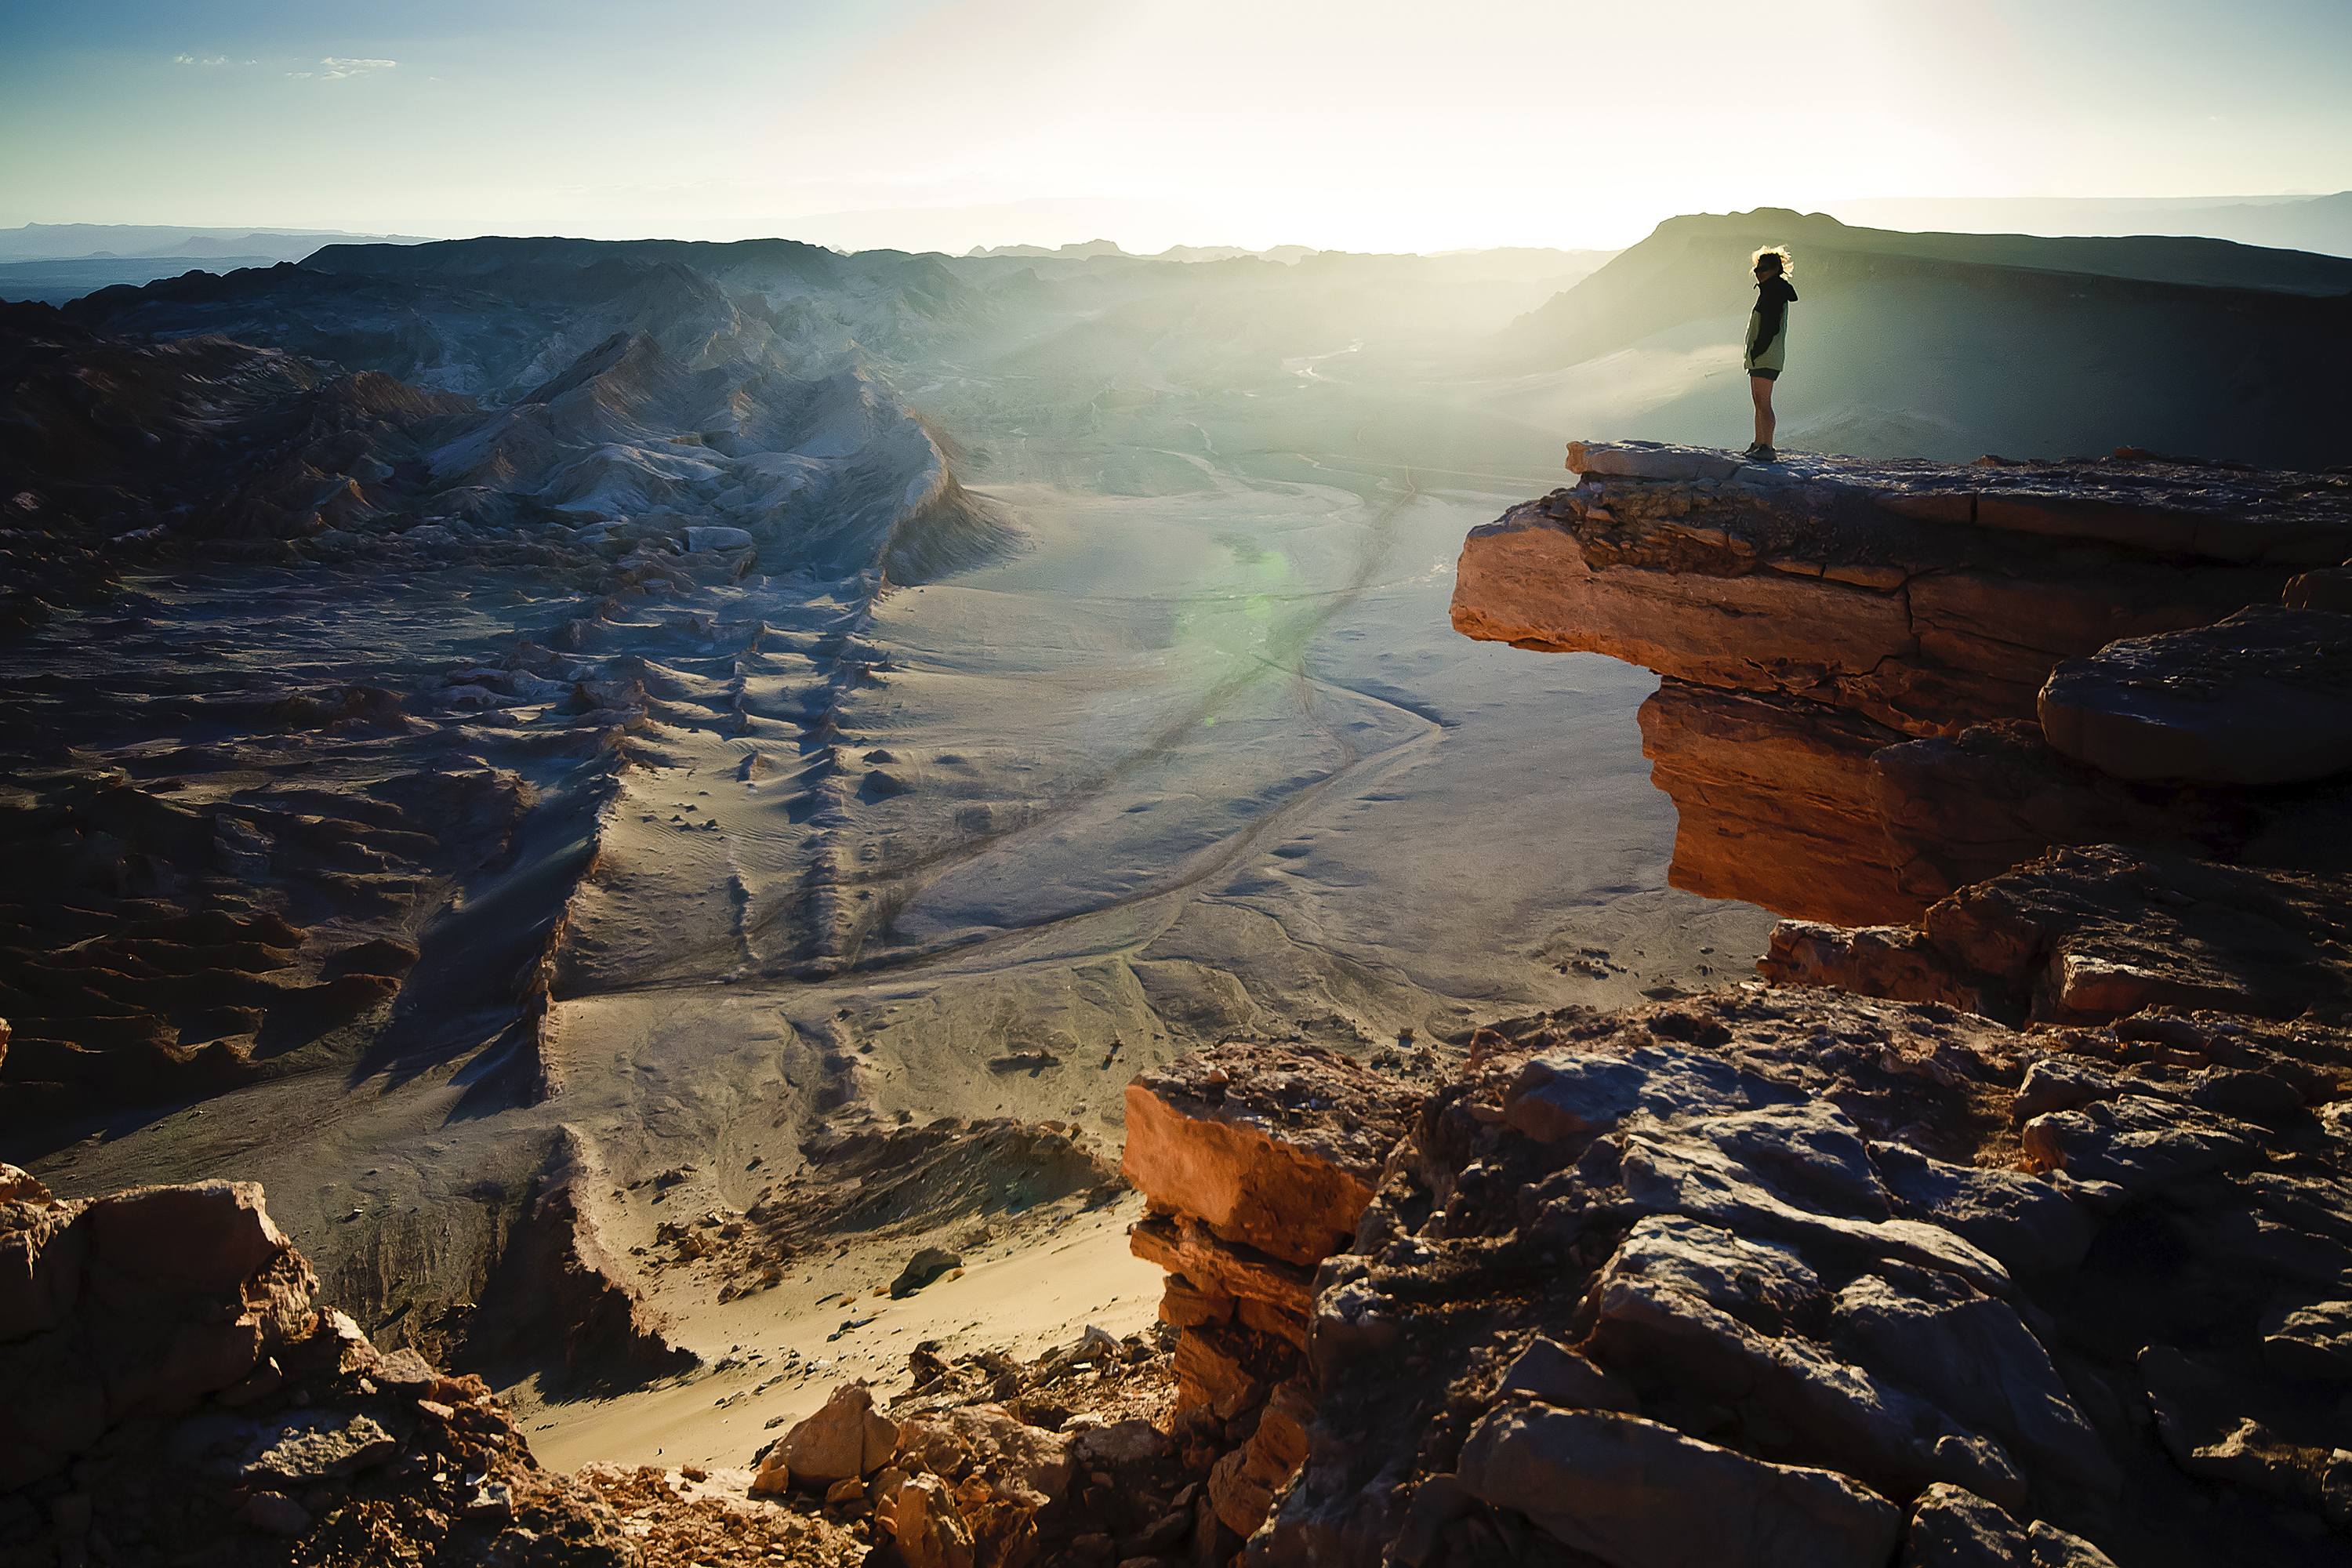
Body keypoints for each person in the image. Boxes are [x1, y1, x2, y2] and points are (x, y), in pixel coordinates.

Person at [1742, 246, 1796, 461]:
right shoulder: (1771, 290)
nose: (1758, 272)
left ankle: (1767, 447)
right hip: (1762, 356)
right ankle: (1758, 444)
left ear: (1776, 269)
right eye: (1757, 269)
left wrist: (1758, 349)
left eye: (1763, 269)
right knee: (1759, 401)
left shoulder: (1774, 293)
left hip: (1766, 355)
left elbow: (1770, 327)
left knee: (1763, 402)